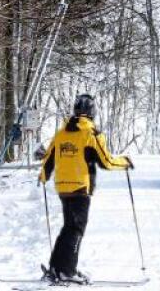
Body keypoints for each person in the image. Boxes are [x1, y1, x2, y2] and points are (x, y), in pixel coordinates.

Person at [39, 94, 133, 284]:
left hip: (62, 187)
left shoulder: (61, 132)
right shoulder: (91, 134)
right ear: (92, 112)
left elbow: (48, 158)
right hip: (80, 187)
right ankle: (67, 271)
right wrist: (124, 162)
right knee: (76, 230)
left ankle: (56, 268)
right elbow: (106, 162)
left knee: (68, 228)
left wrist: (43, 176)